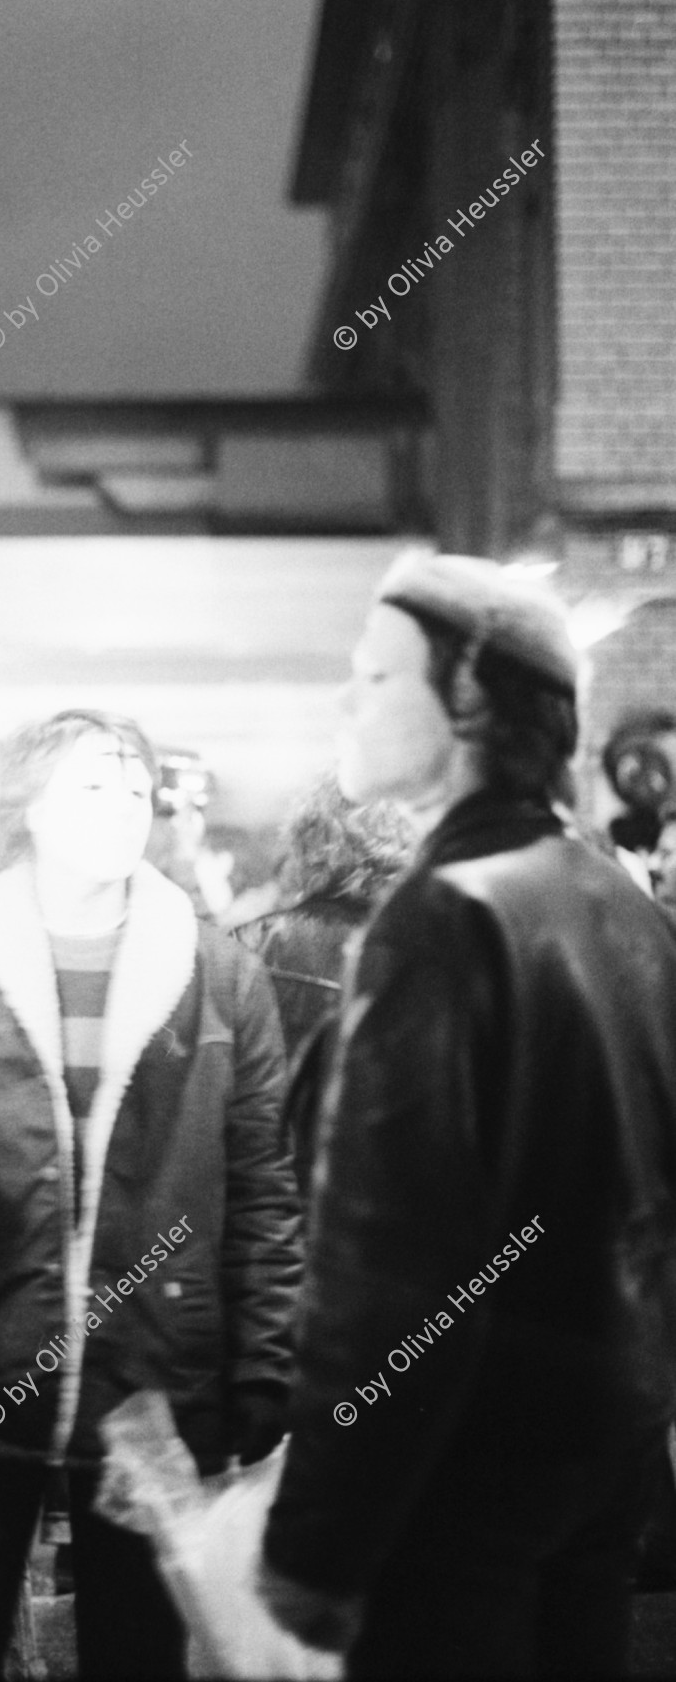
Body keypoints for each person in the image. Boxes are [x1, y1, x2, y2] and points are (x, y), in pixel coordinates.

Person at [258, 553, 676, 1680]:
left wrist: (313, 1545)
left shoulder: (442, 919)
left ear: (473, 704)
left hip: (456, 1481)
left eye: (377, 675)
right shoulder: (616, 902)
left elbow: (387, 1267)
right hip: (603, 1452)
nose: (349, 701)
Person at [0, 708, 302, 1680]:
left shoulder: (220, 971)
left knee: (139, 1652)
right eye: (93, 784)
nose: (124, 805)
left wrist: (264, 1358)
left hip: (153, 1369)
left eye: (137, 788)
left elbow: (263, 1183)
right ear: (30, 810)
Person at [231, 777, 414, 1199]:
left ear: (307, 847)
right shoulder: (435, 956)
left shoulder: (244, 947)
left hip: (264, 1199)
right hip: (382, 1209)